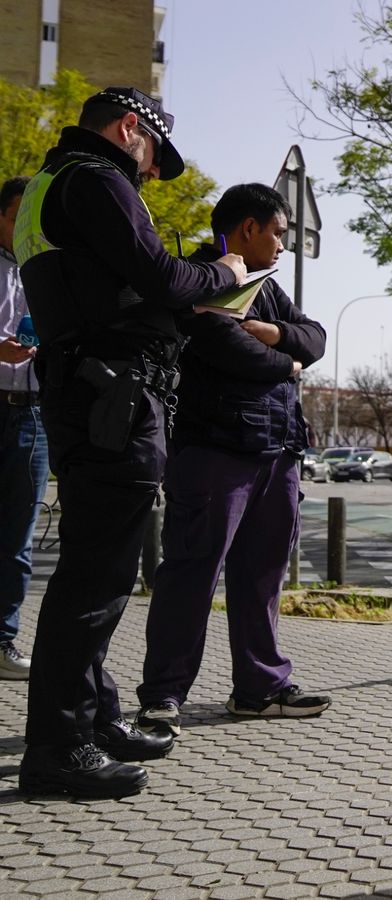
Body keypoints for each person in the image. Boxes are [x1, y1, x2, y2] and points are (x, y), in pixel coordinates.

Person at [11, 86, 249, 798]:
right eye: (152, 158)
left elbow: (116, 284)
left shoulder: (53, 184)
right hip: (112, 393)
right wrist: (226, 274)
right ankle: (58, 749)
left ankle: (96, 719)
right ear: (128, 129)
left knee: (98, 572)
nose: (150, 174)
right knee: (95, 578)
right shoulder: (96, 179)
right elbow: (162, 276)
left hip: (91, 386)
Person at [134, 183, 332, 738]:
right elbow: (225, 347)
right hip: (214, 451)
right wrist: (286, 363)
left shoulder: (267, 291)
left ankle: (260, 689)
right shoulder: (199, 277)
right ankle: (163, 697)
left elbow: (314, 340)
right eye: (278, 232)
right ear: (249, 228)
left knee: (263, 574)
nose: (283, 245)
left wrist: (277, 334)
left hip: (278, 450)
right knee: (192, 573)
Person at [0, 175, 48, 681]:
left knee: (18, 537)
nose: (24, 228)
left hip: (33, 412)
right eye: (18, 216)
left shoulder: (46, 269)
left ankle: (3, 640)